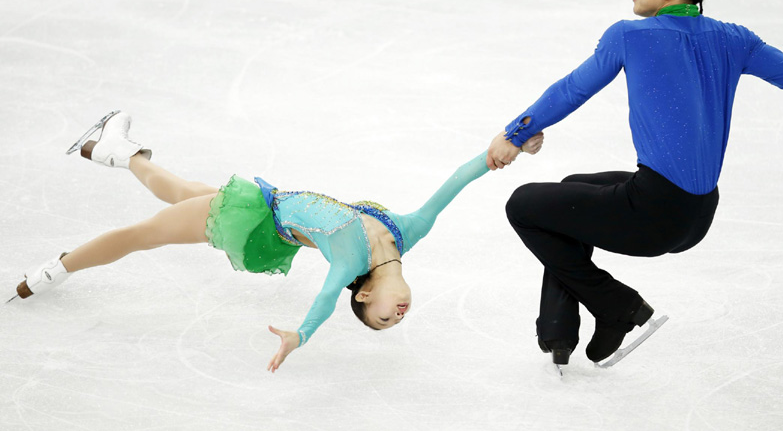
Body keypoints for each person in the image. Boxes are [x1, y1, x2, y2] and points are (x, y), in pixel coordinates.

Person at [486, 0, 783, 366]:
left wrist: (515, 134)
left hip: (651, 213)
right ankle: (559, 332)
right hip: (698, 215)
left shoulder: (629, 36)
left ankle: (616, 306)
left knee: (524, 205)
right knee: (571, 191)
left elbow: (572, 89)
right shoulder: (735, 38)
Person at [10, 110, 543, 373]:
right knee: (176, 193)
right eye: (394, 320)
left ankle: (54, 269)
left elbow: (324, 298)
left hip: (252, 219)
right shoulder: (408, 232)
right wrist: (511, 141)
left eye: (382, 318)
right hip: (265, 200)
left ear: (363, 296)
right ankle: (120, 150)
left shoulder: (350, 262)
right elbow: (456, 181)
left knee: (142, 235)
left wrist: (300, 336)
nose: (396, 316)